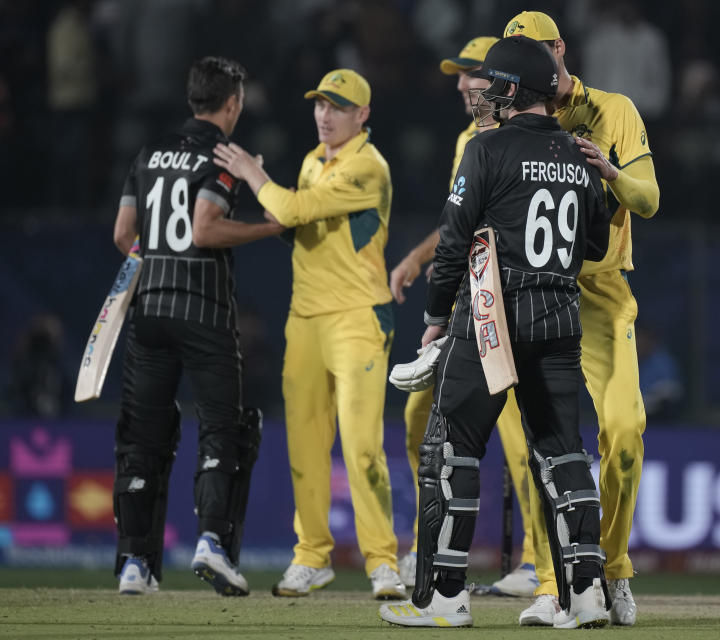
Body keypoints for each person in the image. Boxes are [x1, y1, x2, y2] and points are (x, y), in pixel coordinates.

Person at [379, 35, 611, 628]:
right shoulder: (580, 154)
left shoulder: (484, 150)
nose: (482, 90)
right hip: (560, 317)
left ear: (510, 89)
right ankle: (586, 596)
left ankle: (442, 599)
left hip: (493, 319)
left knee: (449, 450)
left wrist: (434, 321)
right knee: (563, 454)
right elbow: (596, 244)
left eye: (491, 82)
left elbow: (453, 242)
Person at [213, 69, 406, 600]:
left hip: (358, 319)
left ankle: (382, 563)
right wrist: (275, 196)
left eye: (338, 107)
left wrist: (252, 173)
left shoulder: (369, 167)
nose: (324, 115)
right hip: (306, 320)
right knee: (305, 446)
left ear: (362, 116)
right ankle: (311, 558)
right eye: (320, 105)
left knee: (362, 447)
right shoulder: (310, 161)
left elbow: (294, 209)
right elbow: (297, 223)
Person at [501, 11, 661, 627]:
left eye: (535, 52)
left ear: (560, 49)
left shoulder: (613, 110)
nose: (527, 67)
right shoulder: (507, 116)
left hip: (598, 294)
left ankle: (614, 566)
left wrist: (610, 171)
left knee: (624, 430)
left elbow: (649, 200)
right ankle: (551, 582)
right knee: (543, 446)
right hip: (531, 292)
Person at [111, 56, 285, 596]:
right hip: (205, 312)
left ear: (193, 98)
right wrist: (268, 227)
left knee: (142, 439)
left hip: (150, 314)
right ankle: (211, 542)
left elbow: (123, 234)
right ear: (232, 104)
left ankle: (135, 565)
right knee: (221, 431)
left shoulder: (146, 154)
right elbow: (206, 230)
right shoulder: (222, 157)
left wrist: (159, 259)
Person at [388, 35, 539, 597]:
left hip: (501, 306)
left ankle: (537, 564)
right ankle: (424, 548)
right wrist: (417, 257)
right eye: (456, 76)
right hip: (462, 300)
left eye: (469, 74)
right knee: (417, 423)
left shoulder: (510, 138)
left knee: (518, 440)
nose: (458, 84)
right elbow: (459, 218)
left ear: (498, 81)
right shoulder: (466, 138)